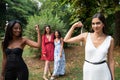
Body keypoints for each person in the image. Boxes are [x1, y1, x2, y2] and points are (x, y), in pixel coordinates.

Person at [64, 13, 114, 80]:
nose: (95, 26)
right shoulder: (86, 36)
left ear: (103, 24)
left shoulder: (110, 39)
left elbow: (111, 60)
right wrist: (74, 26)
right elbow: (66, 39)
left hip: (103, 71)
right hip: (89, 71)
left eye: (98, 23)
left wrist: (113, 78)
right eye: (93, 23)